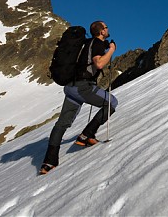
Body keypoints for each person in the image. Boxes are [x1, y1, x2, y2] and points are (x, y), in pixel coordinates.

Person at [40, 20, 118, 175]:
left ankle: (49, 162)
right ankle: (86, 135)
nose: (108, 29)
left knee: (62, 124)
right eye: (106, 27)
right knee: (112, 102)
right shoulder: (96, 43)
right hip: (83, 87)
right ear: (101, 31)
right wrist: (111, 50)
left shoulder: (86, 43)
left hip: (71, 88)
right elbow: (99, 64)